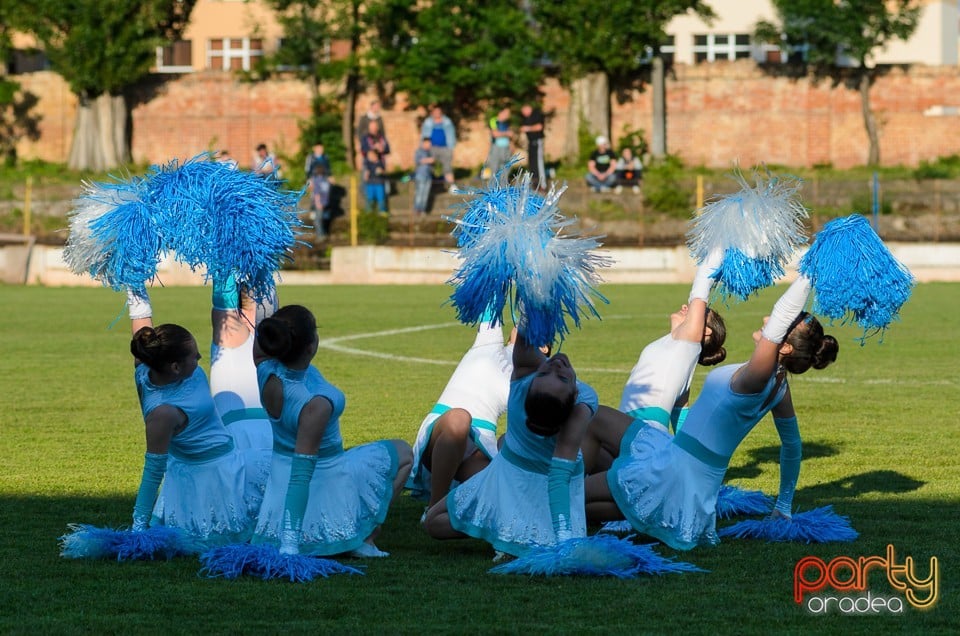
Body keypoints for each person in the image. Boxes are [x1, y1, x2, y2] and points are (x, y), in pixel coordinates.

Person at [585, 275, 838, 550]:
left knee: (579, 465)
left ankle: (556, 515)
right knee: (589, 496)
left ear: (785, 346)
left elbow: (781, 312)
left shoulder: (758, 375)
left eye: (781, 325)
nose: (768, 319)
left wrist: (810, 272)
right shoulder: (779, 387)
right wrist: (783, 506)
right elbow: (792, 446)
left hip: (672, 470)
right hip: (695, 484)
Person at [251, 304, 413, 557]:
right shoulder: (314, 404)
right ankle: (365, 539)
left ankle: (357, 537)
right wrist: (290, 547)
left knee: (394, 452)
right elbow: (302, 475)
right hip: (325, 475)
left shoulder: (264, 369)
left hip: (279, 470)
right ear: (311, 346)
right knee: (403, 452)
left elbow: (261, 343)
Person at [424, 328, 599, 557]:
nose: (555, 367)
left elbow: (558, 476)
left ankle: (509, 531)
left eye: (562, 378)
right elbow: (527, 327)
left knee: (435, 520)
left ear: (574, 396)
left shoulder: (526, 376)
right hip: (510, 475)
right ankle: (507, 529)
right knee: (433, 523)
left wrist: (564, 538)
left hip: (546, 484)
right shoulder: (578, 396)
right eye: (546, 374)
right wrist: (539, 294)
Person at [125, 287, 263, 547]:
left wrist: (134, 280)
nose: (200, 358)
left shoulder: (146, 363)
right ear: (175, 367)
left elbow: (142, 324)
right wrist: (138, 529)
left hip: (231, 457)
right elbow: (153, 472)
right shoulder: (163, 413)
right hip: (214, 476)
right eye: (194, 357)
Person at [580, 250, 728, 476]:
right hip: (627, 438)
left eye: (701, 312)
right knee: (586, 470)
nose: (687, 306)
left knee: (589, 416)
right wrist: (687, 467)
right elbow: (682, 416)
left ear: (704, 331)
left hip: (643, 434)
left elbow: (701, 284)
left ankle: (569, 498)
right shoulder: (679, 353)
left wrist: (721, 241)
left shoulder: (688, 344)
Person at [408, 312, 515, 511]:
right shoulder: (488, 341)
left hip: (480, 448)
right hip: (445, 431)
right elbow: (491, 297)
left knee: (505, 492)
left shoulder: (529, 378)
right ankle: (434, 508)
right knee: (459, 419)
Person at [208, 275, 277, 453]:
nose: (269, 310)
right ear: (241, 312)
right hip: (241, 442)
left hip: (277, 440)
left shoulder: (274, 347)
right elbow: (223, 301)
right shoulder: (232, 337)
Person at [420, 106, 456, 190]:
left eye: (438, 112)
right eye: (435, 112)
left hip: (445, 148)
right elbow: (424, 136)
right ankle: (430, 186)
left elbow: (451, 135)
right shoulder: (428, 122)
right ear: (432, 113)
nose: (437, 114)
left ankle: (452, 186)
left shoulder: (447, 122)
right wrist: (424, 147)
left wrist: (451, 147)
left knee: (447, 167)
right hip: (431, 148)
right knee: (430, 167)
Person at [519, 103, 546, 190]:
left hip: (537, 140)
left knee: (539, 162)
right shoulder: (525, 118)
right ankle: (535, 183)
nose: (524, 114)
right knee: (532, 163)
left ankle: (543, 184)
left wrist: (527, 128)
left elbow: (539, 127)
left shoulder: (536, 114)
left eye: (524, 111)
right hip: (530, 142)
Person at [485, 107, 512, 181]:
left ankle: (504, 188)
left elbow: (511, 135)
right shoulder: (494, 121)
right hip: (496, 147)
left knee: (505, 168)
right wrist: (506, 133)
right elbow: (495, 134)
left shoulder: (507, 122)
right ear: (501, 112)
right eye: (506, 113)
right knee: (494, 168)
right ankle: (492, 189)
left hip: (506, 148)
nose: (508, 115)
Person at [306, 162, 332, 239]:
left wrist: (318, 203)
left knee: (317, 221)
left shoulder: (316, 180)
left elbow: (316, 193)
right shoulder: (326, 180)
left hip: (319, 203)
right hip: (325, 202)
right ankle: (323, 233)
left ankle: (320, 235)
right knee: (322, 219)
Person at [412, 137, 435, 216]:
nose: (430, 145)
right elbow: (418, 160)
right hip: (420, 175)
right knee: (419, 194)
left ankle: (423, 210)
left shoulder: (430, 152)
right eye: (428, 143)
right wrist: (428, 160)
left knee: (425, 195)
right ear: (424, 143)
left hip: (428, 175)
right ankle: (417, 209)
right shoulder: (419, 151)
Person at [362, 148, 388, 215]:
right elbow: (367, 172)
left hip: (379, 183)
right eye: (368, 156)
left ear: (376, 156)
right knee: (370, 197)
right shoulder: (368, 164)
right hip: (370, 183)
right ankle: (369, 211)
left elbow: (383, 171)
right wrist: (366, 175)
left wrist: (380, 171)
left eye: (370, 156)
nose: (369, 158)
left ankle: (382, 211)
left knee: (380, 197)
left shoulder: (380, 163)